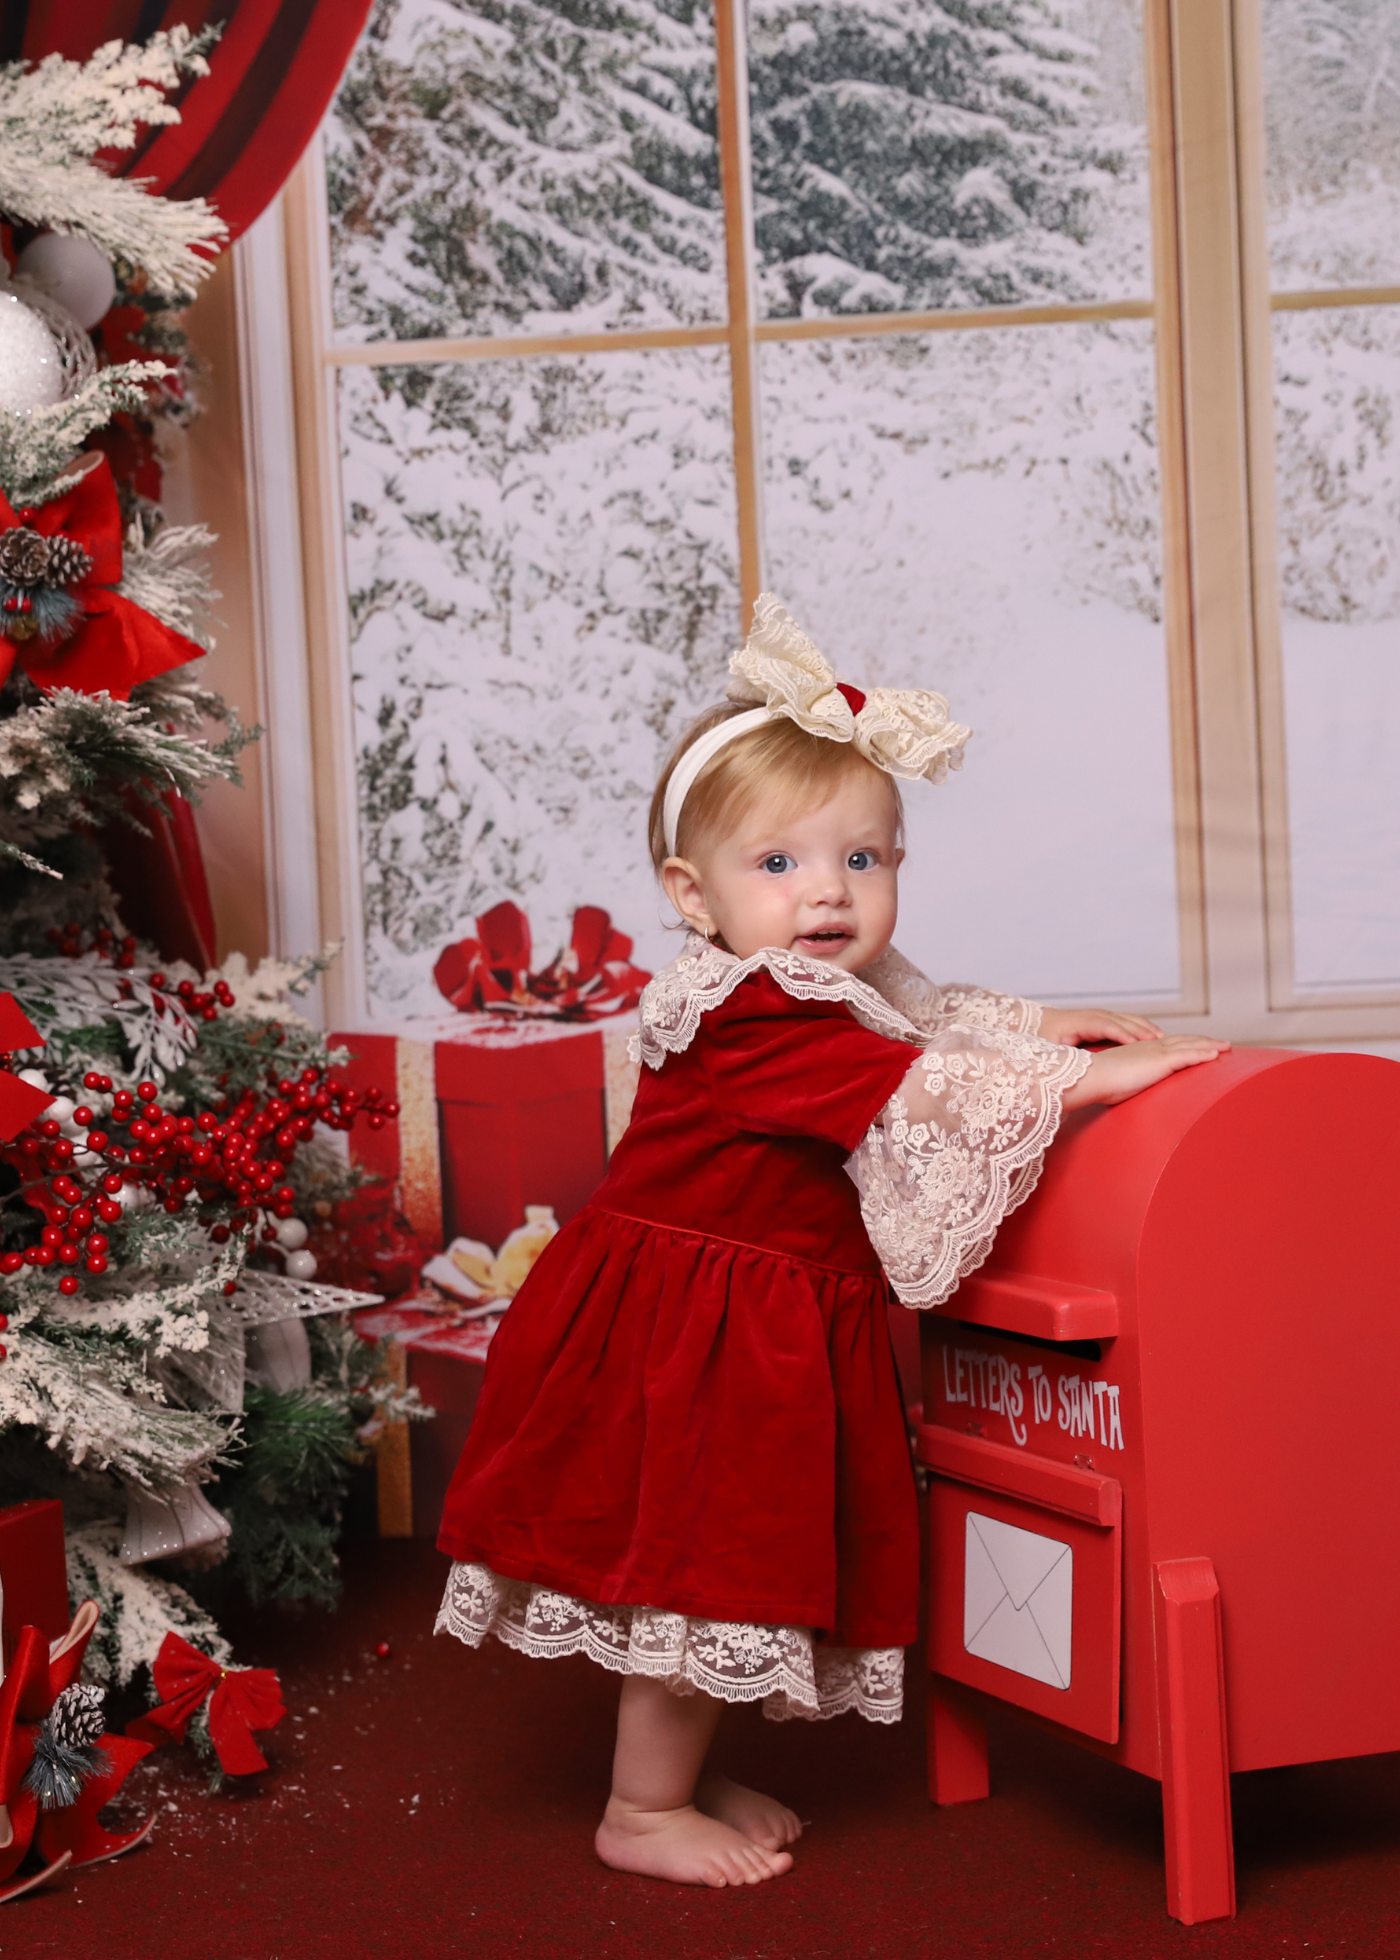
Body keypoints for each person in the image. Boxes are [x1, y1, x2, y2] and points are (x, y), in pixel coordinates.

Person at [435, 595, 1228, 1888]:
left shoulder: (827, 990)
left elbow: (923, 1021)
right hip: (693, 1337)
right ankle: (641, 1811)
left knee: (737, 1560)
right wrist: (1087, 1083)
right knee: (698, 1573)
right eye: (779, 863)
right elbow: (917, 1089)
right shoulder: (750, 1009)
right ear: (693, 896)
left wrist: (1039, 1030)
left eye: (862, 859)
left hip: (751, 1323)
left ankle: (681, 1775)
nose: (827, 891)